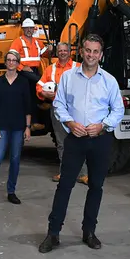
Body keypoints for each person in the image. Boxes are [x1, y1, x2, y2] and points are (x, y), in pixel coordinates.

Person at [38, 34, 124, 253]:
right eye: (88, 50)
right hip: (75, 139)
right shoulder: (68, 77)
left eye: (96, 51)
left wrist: (103, 126)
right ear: (82, 52)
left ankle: (89, 232)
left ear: (101, 55)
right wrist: (69, 122)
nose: (91, 55)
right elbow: (58, 104)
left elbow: (118, 110)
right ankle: (53, 233)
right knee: (65, 185)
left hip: (100, 140)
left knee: (96, 186)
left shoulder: (109, 81)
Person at [0, 50, 31, 208]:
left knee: (15, 160)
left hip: (18, 127)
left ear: (18, 63)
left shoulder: (23, 82)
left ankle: (11, 192)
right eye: (8, 60)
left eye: (14, 60)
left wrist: (28, 127)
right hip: (1, 126)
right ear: (5, 62)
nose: (11, 63)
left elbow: (27, 107)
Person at [36, 42, 83, 183]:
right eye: (60, 51)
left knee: (79, 141)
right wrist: (43, 93)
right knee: (61, 143)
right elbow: (39, 85)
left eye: (65, 50)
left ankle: (83, 174)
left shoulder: (78, 67)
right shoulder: (50, 69)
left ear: (70, 52)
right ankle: (64, 173)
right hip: (57, 109)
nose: (62, 53)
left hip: (75, 109)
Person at [9, 18, 49, 130]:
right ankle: (44, 102)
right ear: (23, 29)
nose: (29, 30)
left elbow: (44, 54)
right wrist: (22, 67)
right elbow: (12, 58)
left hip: (34, 70)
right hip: (23, 72)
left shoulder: (37, 42)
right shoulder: (18, 42)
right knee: (40, 83)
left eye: (31, 28)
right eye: (27, 28)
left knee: (33, 93)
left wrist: (50, 50)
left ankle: (36, 119)